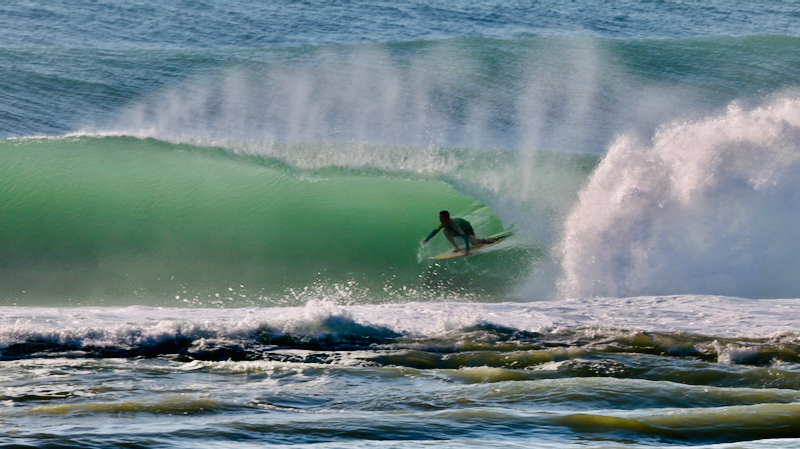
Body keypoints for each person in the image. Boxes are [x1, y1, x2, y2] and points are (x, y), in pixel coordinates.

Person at [420, 210, 497, 255]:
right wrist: (426, 240)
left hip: (467, 228)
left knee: (473, 242)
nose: (440, 220)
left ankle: (485, 240)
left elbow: (465, 237)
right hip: (457, 231)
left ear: (446, 218)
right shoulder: (443, 224)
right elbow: (435, 231)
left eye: (441, 218)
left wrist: (467, 250)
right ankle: (456, 247)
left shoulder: (454, 223)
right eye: (439, 218)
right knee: (445, 230)